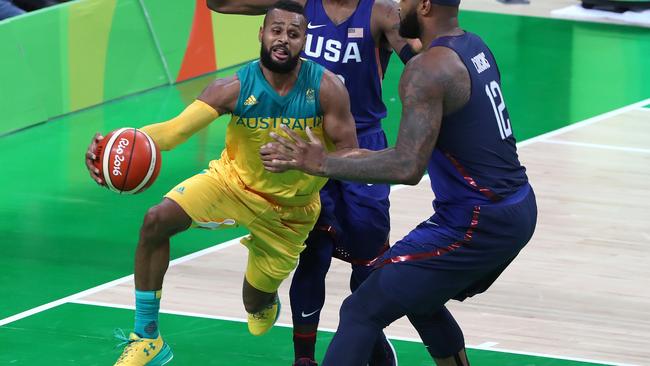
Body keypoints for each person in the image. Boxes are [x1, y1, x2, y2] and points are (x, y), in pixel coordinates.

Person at [260, 0, 538, 364]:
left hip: (477, 220)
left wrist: (322, 162)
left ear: (423, 5)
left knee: (360, 309)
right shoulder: (474, 45)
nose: (397, 5)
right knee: (418, 297)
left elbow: (407, 167)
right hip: (514, 205)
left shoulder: (427, 70)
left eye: (404, 0)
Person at [84, 2, 358, 365]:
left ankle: (264, 301)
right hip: (230, 184)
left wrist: (316, 160)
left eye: (293, 33)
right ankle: (147, 337)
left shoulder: (326, 89)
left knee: (254, 305)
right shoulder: (232, 88)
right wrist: (111, 146)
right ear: (261, 34)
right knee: (155, 220)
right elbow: (172, 133)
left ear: (305, 41)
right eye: (276, 30)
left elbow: (352, 155)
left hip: (290, 214)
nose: (283, 39)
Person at [208, 0, 419, 364]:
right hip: (304, 145)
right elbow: (220, 3)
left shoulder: (381, 13)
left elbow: (421, 66)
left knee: (369, 259)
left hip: (360, 146)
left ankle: (369, 337)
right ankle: (303, 357)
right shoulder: (300, 5)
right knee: (313, 255)